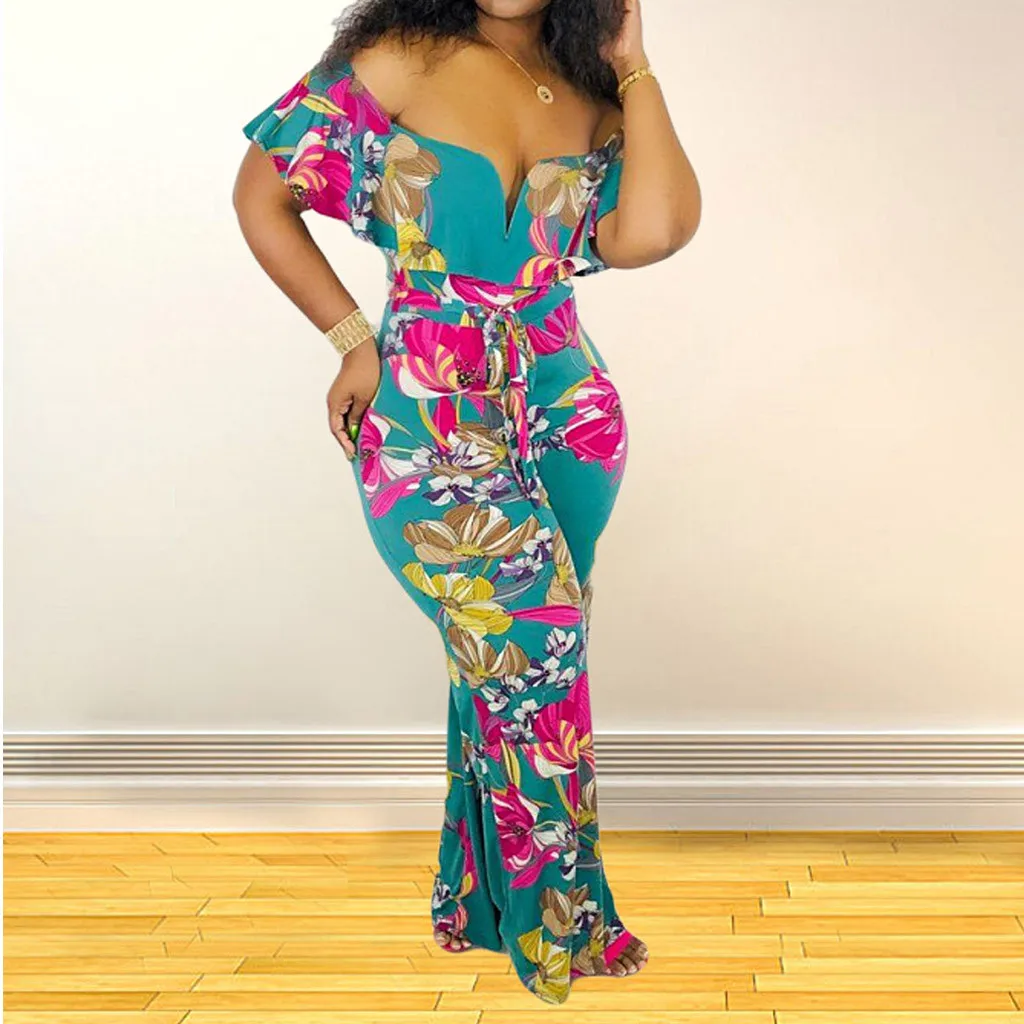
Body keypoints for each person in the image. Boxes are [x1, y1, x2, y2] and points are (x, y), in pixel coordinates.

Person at [233, 0, 699, 1005]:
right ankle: (562, 924)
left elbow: (654, 230)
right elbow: (261, 194)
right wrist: (351, 340)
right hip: (424, 413)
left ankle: (478, 903)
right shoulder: (400, 59)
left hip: (567, 412)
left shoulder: (591, 87)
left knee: (502, 670)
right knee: (533, 640)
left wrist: (634, 67)